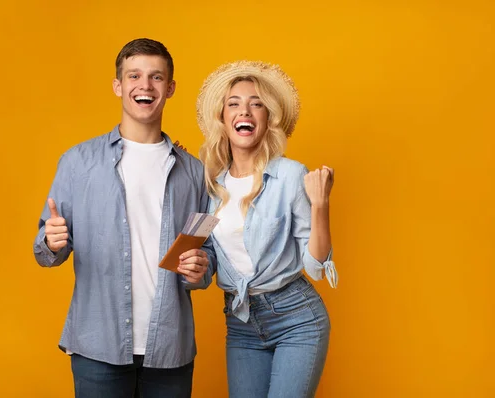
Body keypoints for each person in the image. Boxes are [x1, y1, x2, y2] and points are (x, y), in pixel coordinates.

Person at [33, 38, 215, 398]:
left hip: (170, 349)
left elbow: (205, 261)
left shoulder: (195, 172)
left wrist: (201, 269)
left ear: (171, 88)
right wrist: (50, 242)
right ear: (118, 86)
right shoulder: (78, 162)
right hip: (97, 345)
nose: (144, 86)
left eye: (156, 77)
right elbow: (45, 251)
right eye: (134, 76)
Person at [197, 61, 339, 398]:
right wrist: (193, 267)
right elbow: (207, 261)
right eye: (234, 103)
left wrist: (320, 205)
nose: (244, 110)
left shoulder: (290, 175)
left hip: (297, 320)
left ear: (267, 118)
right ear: (222, 119)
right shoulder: (211, 186)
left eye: (256, 103)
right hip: (241, 322)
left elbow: (316, 267)